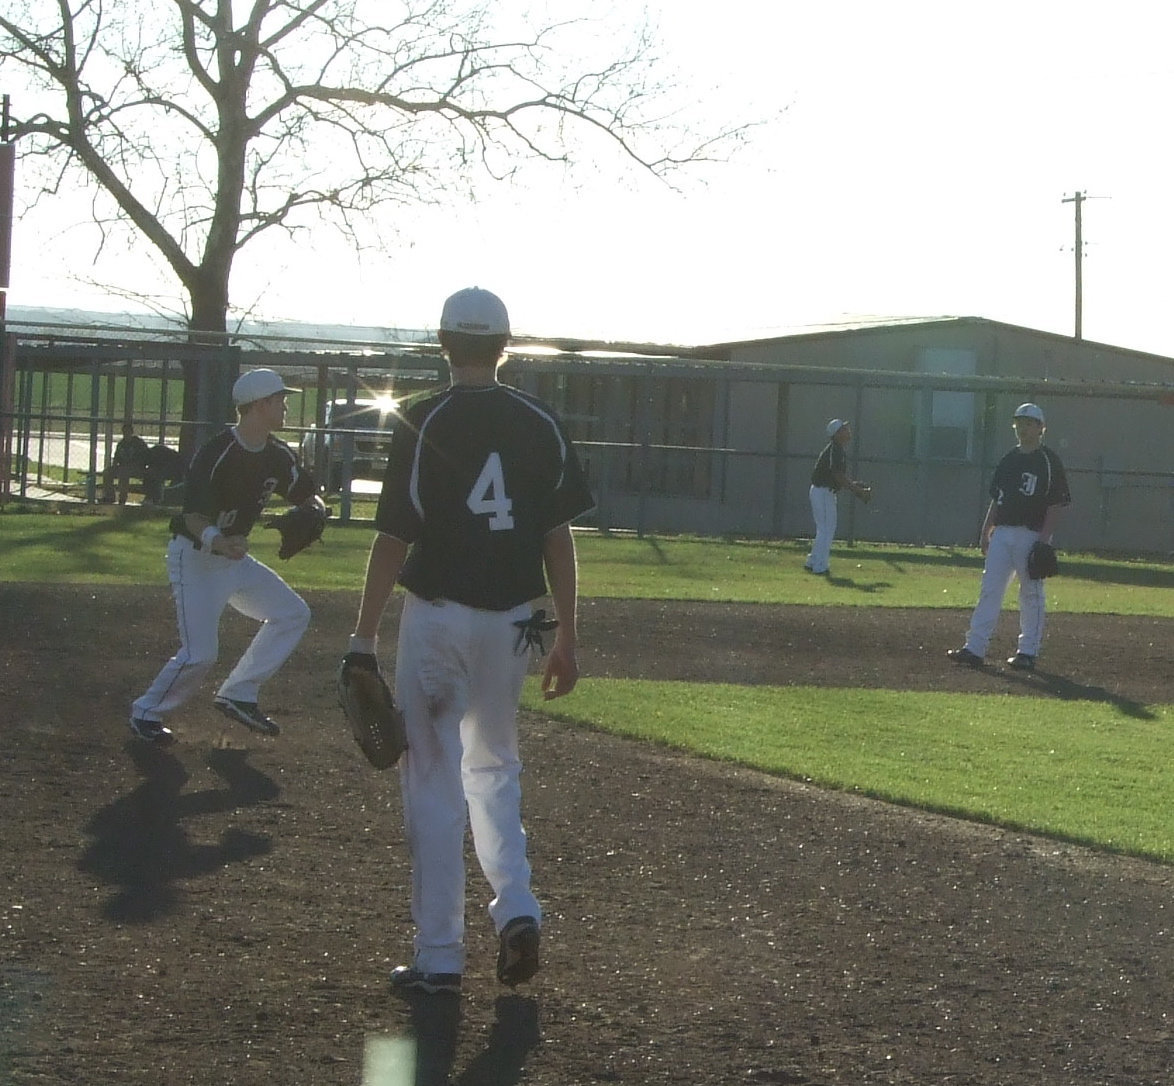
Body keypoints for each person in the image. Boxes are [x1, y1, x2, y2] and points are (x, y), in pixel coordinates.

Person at [347, 286, 595, 996]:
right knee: (495, 768)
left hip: (439, 616)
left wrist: (362, 636)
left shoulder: (423, 419)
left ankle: (440, 955)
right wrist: (567, 637)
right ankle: (516, 908)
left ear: (442, 343)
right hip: (520, 620)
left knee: (431, 776)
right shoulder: (540, 421)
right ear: (505, 345)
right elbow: (558, 536)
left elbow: (394, 539)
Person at [129, 368, 325, 744]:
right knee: (200, 654)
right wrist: (219, 541)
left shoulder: (278, 455)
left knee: (292, 613)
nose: (285, 407)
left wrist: (315, 510)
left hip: (233, 560)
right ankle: (146, 712)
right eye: (280, 401)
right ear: (260, 405)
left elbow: (308, 492)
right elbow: (191, 516)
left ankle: (238, 693)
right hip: (197, 558)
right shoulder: (217, 452)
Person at [947, 402, 1071, 671]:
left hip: (1031, 534)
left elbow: (1056, 503)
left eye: (1029, 423)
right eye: (1020, 422)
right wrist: (985, 531)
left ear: (1041, 428)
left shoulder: (1048, 461)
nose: (1023, 427)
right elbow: (997, 500)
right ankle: (975, 648)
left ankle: (1028, 651)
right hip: (1002, 533)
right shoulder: (1009, 459)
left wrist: (1043, 539)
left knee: (1031, 593)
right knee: (989, 590)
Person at [805, 418, 871, 575]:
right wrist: (857, 490)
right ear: (837, 434)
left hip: (822, 491)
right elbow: (837, 475)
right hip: (823, 492)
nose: (847, 431)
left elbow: (836, 476)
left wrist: (854, 486)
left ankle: (813, 560)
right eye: (843, 429)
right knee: (827, 529)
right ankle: (820, 566)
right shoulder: (836, 449)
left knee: (824, 529)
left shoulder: (836, 449)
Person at [101, 423, 150, 503]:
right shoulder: (121, 444)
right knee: (107, 472)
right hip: (123, 467)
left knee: (124, 472)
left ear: (131, 432)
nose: (126, 434)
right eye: (124, 432)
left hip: (137, 468)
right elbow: (116, 458)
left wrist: (137, 465)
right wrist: (114, 466)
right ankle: (109, 496)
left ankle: (122, 498)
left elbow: (146, 456)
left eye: (128, 432)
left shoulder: (138, 443)